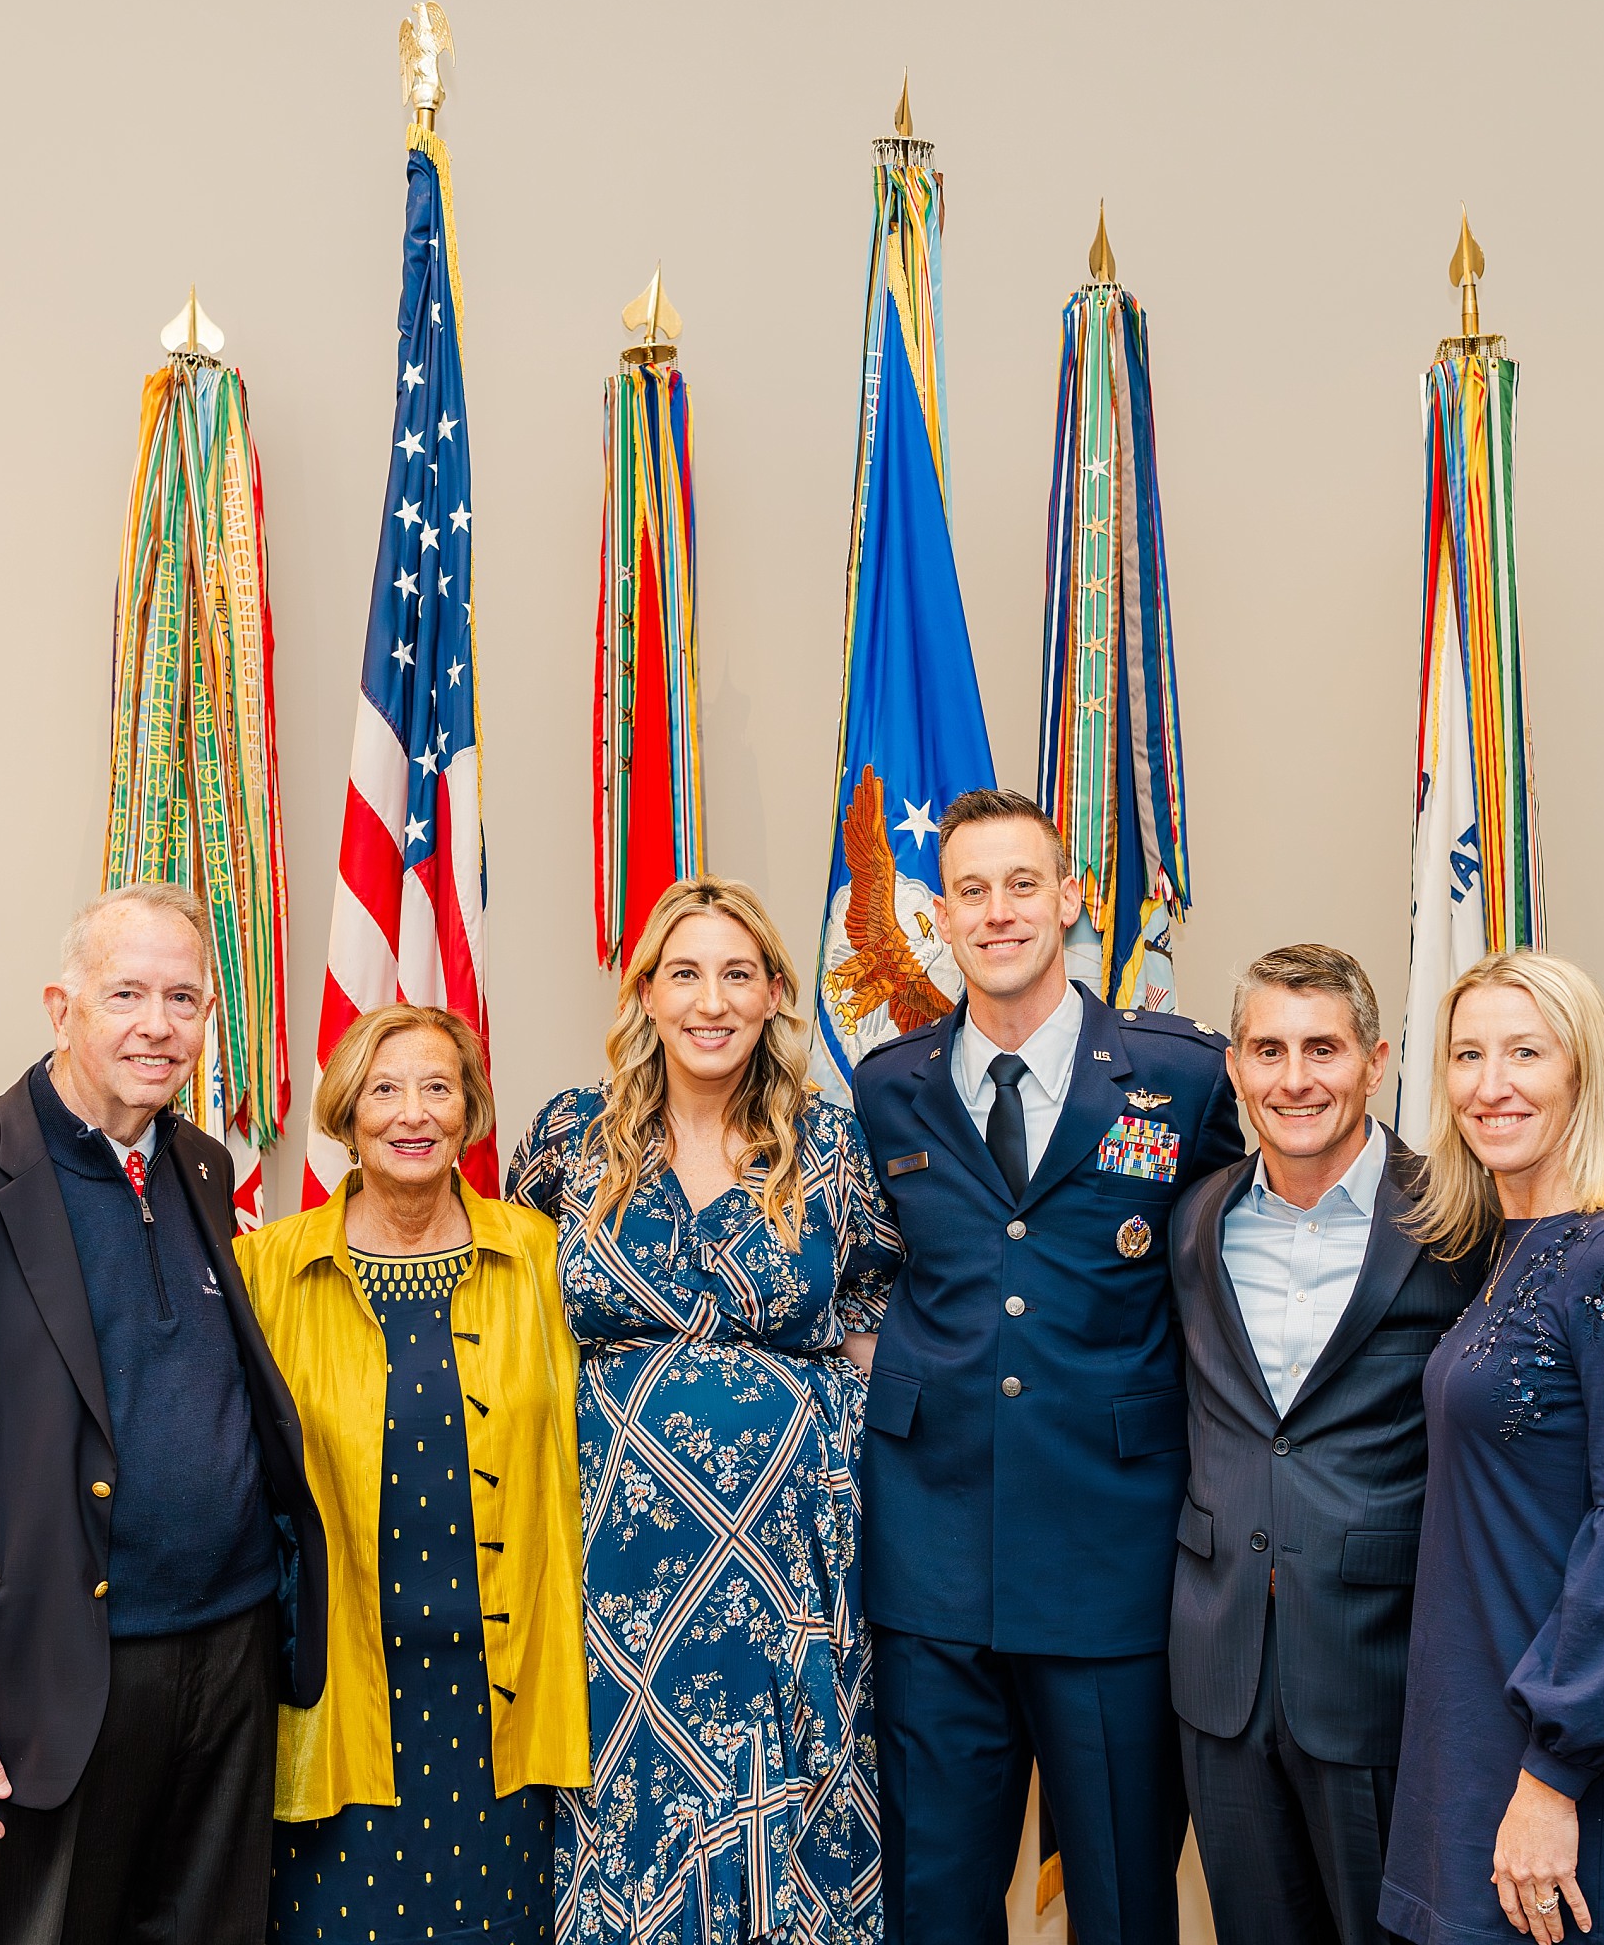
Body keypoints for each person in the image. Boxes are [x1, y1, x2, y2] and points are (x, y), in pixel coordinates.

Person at [0, 882, 327, 1944]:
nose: (158, 1025)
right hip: (37, 1684)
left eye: (184, 998)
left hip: (227, 1662)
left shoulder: (198, 1164)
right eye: (126, 992)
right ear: (61, 1006)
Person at [850, 788, 1246, 1945]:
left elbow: (1268, 1217)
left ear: (1069, 897)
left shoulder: (1180, 1075)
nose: (999, 910)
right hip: (932, 1564)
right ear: (939, 915)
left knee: (1123, 1903)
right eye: (970, 890)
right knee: (934, 1902)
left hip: (1106, 1559)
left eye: (1023, 883)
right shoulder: (886, 1086)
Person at [505, 877, 901, 1945]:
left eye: (737, 973)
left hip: (789, 1554)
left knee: (786, 1788)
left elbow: (871, 1327)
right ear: (645, 989)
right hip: (614, 1557)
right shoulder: (568, 1138)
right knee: (631, 1801)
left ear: (776, 990)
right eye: (684, 972)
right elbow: (512, 1323)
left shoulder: (827, 1143)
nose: (711, 999)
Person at [234, 1003, 588, 1943]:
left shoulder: (542, 1259)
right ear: (348, 1112)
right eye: (384, 1090)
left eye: (439, 1088)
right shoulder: (264, 1271)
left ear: (471, 1111)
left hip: (503, 1700)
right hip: (336, 1700)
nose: (412, 1113)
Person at [1378, 952, 1604, 1945]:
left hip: (1568, 1771)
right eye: (1467, 1054)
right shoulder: (1505, 1246)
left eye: (1524, 1051)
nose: (1491, 1083)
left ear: (1582, 1071)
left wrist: (1552, 1776)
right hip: (1469, 1742)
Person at [1167, 945, 1471, 1945]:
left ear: (1375, 1060)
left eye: (1322, 1048)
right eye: (1267, 1049)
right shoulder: (1194, 1220)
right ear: (1234, 1067)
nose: (1293, 1078)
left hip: (1375, 1668)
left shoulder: (1454, 1216)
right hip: (1222, 1674)